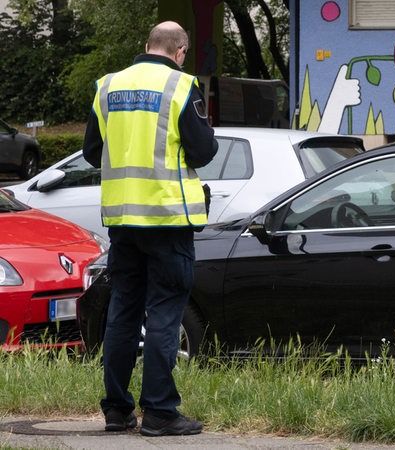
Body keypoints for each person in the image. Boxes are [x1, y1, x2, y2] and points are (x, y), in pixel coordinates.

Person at [82, 21, 218, 437]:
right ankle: (159, 411)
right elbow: (204, 151)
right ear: (180, 52)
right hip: (166, 219)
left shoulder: (107, 87)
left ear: (146, 46)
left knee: (123, 311)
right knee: (163, 312)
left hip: (123, 222)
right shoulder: (180, 86)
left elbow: (91, 152)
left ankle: (116, 410)